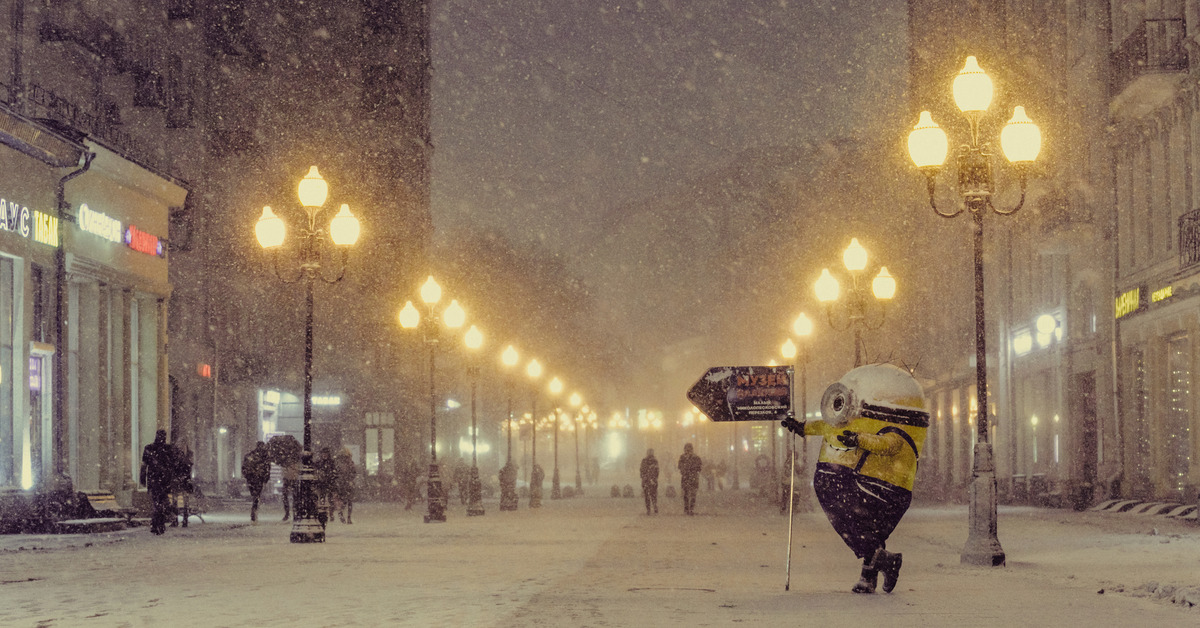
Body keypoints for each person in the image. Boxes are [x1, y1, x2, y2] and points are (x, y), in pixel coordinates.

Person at [781, 363, 929, 594]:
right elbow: (830, 428)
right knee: (867, 528)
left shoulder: (891, 421)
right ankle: (871, 574)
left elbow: (891, 443)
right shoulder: (851, 420)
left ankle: (882, 564)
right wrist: (803, 427)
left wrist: (860, 440)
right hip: (859, 479)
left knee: (862, 525)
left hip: (885, 485)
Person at [140, 429, 175, 535]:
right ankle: (158, 523)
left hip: (155, 480)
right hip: (163, 480)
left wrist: (143, 478)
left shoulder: (149, 448)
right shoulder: (168, 449)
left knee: (157, 503)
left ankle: (156, 524)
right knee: (161, 503)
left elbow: (144, 465)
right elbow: (172, 466)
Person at [242, 441, 272, 523]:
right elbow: (267, 468)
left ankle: (254, 510)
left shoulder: (250, 455)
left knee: (254, 494)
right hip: (259, 478)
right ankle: (254, 511)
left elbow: (244, 467)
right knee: (257, 495)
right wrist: (266, 478)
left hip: (251, 478)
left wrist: (247, 476)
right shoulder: (264, 456)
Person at [314, 447, 337, 526]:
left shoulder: (331, 462)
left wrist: (330, 477)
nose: (324, 455)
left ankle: (331, 513)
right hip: (322, 483)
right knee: (322, 498)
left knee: (330, 499)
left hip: (329, 483)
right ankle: (323, 512)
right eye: (323, 453)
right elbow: (315, 471)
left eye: (326, 453)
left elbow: (335, 473)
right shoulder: (318, 463)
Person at [334, 447, 357, 524]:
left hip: (347, 484)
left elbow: (354, 472)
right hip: (343, 484)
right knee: (345, 501)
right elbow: (336, 473)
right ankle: (343, 515)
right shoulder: (340, 464)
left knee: (349, 501)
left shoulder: (350, 463)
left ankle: (347, 517)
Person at [677, 443, 702, 515]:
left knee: (690, 494)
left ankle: (689, 508)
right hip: (690, 477)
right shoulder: (685, 457)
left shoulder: (694, 458)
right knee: (687, 494)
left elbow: (699, 467)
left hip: (689, 478)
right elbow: (680, 466)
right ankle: (689, 508)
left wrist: (687, 470)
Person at [639, 449, 659, 515]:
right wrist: (654, 478)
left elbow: (642, 470)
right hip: (650, 480)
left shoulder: (645, 460)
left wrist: (644, 477)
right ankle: (653, 507)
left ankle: (649, 509)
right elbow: (657, 471)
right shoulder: (654, 461)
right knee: (652, 495)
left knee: (648, 495)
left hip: (648, 480)